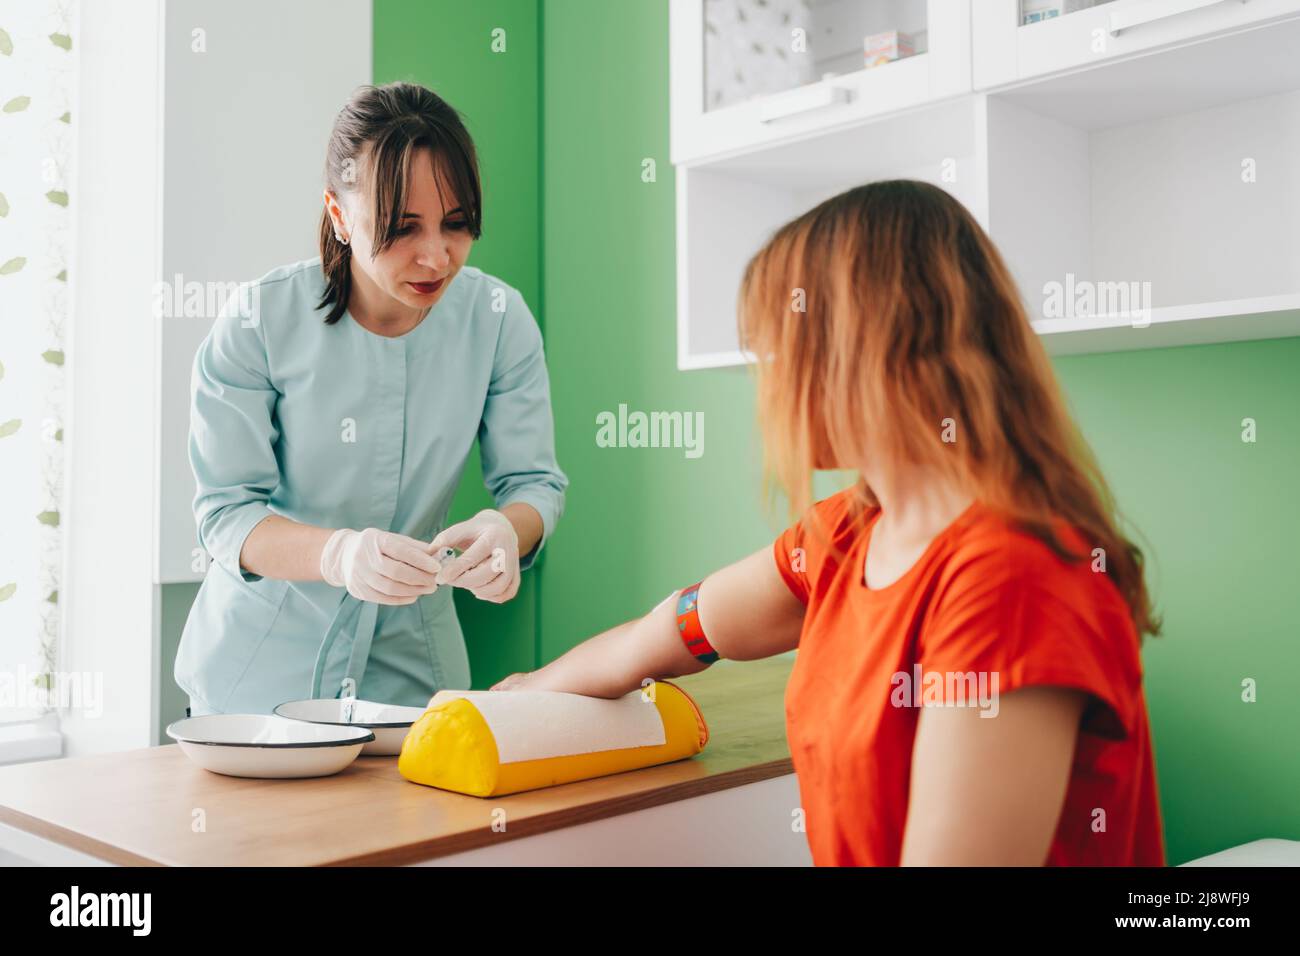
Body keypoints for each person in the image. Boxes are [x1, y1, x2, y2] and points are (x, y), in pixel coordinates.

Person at [491, 180, 1165, 866]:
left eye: (778, 356)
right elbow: (674, 630)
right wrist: (517, 699)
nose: (767, 389)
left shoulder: (1011, 577)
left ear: (872, 351)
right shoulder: (848, 534)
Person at [176, 82, 567, 716]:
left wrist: (506, 531)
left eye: (457, 224)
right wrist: (338, 555)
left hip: (412, 681)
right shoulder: (259, 320)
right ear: (339, 214)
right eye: (402, 227)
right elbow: (226, 515)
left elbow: (534, 486)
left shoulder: (497, 319)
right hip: (257, 681)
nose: (436, 256)